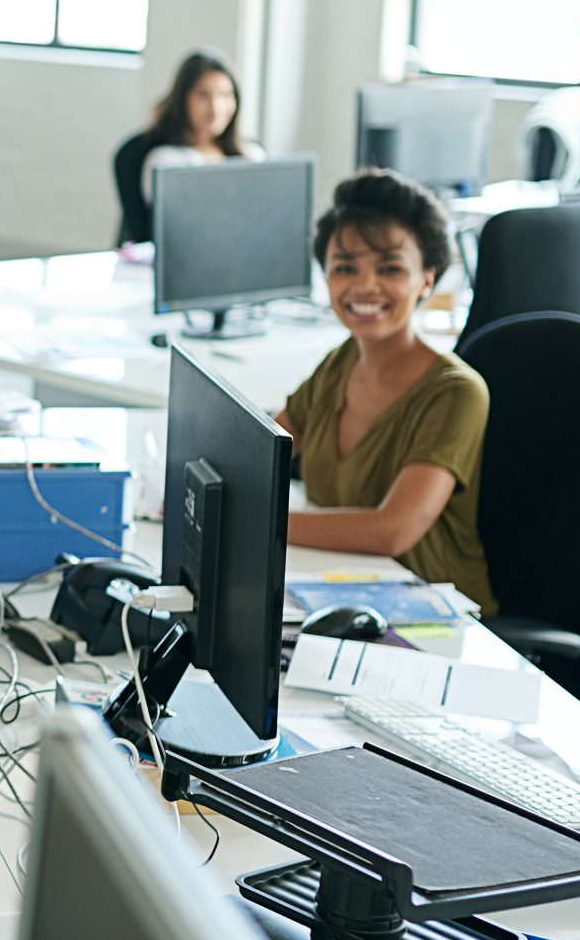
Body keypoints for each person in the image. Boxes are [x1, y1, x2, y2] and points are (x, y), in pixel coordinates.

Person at [277, 170, 496, 610]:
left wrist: (261, 520)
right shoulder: (341, 362)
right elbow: (261, 449)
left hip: (433, 615)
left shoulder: (456, 393)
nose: (364, 286)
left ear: (427, 280)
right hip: (338, 591)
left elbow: (392, 529)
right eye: (345, 268)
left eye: (390, 268)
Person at [139, 49, 264, 196]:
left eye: (226, 95)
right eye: (203, 95)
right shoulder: (166, 162)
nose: (215, 108)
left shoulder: (252, 154)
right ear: (182, 99)